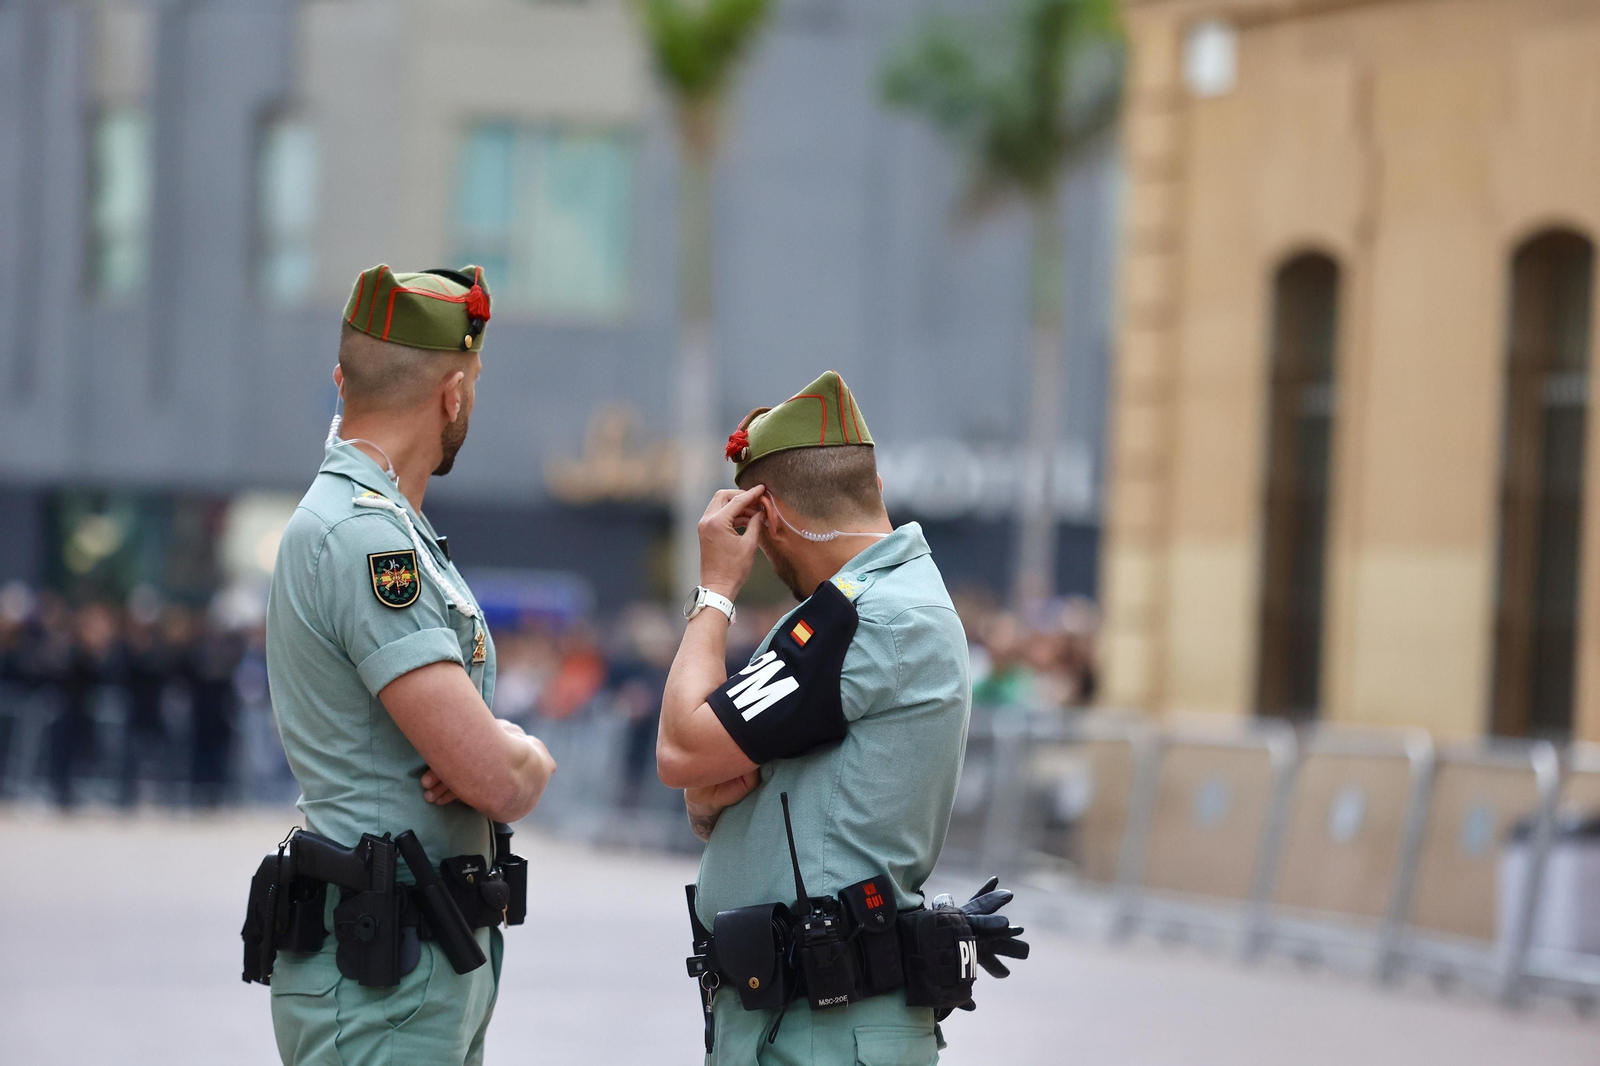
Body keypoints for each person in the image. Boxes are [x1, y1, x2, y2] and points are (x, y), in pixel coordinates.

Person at [657, 371, 1028, 1066]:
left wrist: (715, 590)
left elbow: (682, 748)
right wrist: (712, 788)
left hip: (825, 1026)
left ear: (767, 517)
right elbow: (708, 782)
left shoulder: (862, 618)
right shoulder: (881, 606)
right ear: (875, 488)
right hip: (805, 1019)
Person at [258, 264, 556, 1066]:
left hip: (414, 961)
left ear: (342, 381)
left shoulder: (383, 526)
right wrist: (525, 750)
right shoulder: (368, 539)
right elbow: (498, 781)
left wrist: (486, 751)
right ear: (453, 395)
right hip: (384, 977)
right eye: (475, 386)